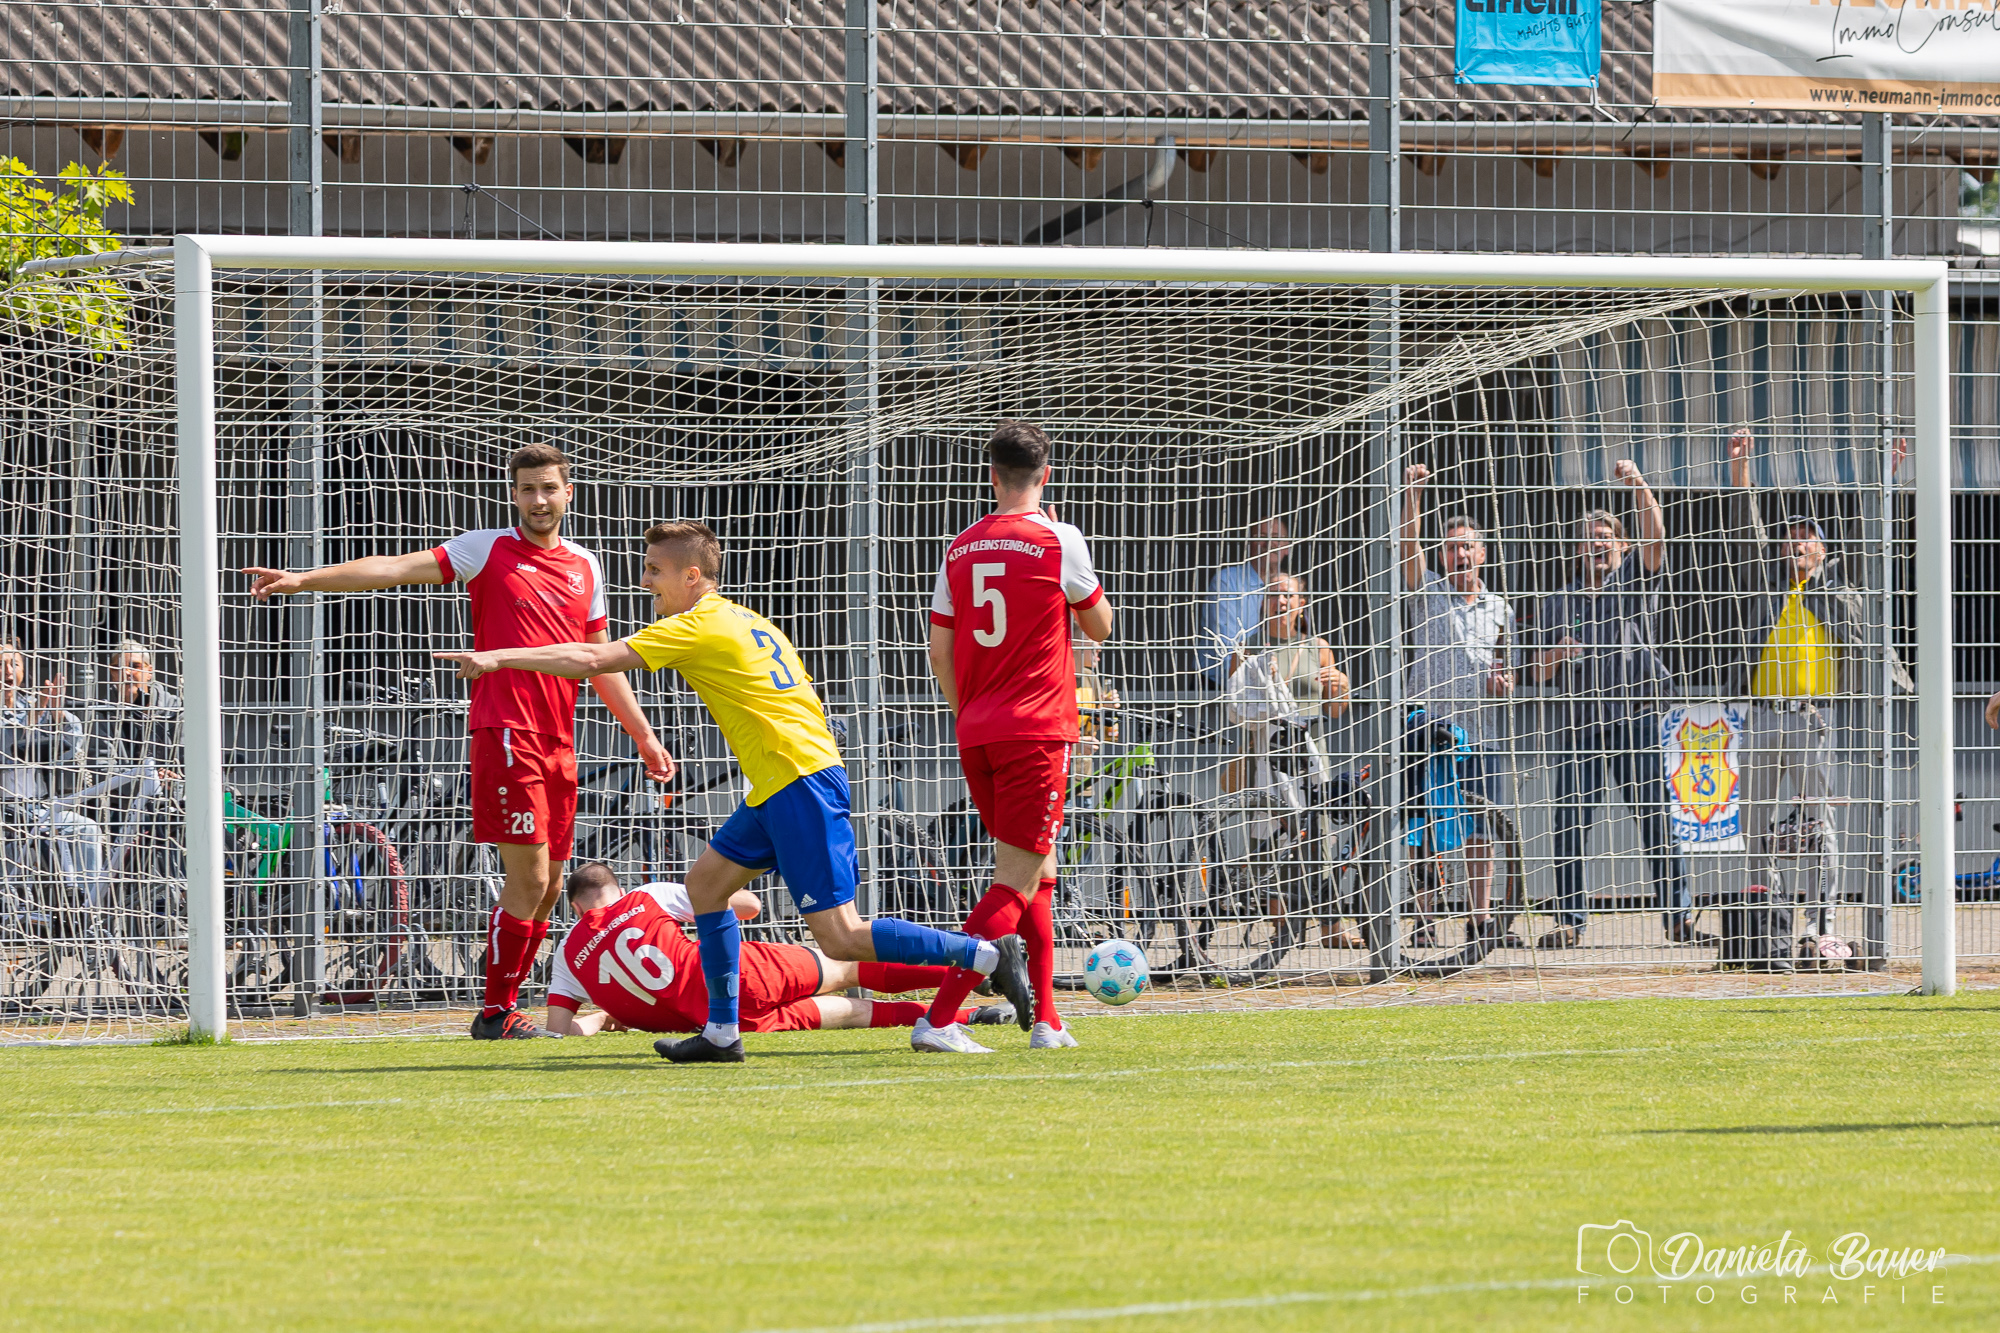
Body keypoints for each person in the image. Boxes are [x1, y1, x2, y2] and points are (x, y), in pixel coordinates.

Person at [438, 519, 1034, 1064]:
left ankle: (984, 955)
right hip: (780, 783)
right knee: (705, 886)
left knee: (840, 936)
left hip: (799, 782)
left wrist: (497, 657)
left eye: (654, 570)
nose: (645, 582)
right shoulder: (747, 618)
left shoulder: (697, 624)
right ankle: (722, 1032)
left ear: (691, 576)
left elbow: (593, 658)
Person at [245, 443, 675, 1041]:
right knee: (529, 880)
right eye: (528, 489)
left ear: (568, 493)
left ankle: (505, 1006)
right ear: (514, 495)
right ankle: (496, 1011)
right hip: (506, 732)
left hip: (559, 741)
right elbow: (395, 568)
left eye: (549, 488)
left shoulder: (586, 565)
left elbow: (600, 662)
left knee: (551, 886)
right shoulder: (486, 548)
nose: (539, 500)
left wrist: (645, 737)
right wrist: (304, 580)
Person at [923, 421, 1113, 1053]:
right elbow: (1101, 626)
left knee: (1037, 872)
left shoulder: (960, 547)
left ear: (993, 476)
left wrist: (969, 713)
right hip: (1035, 731)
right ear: (1046, 475)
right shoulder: (1060, 539)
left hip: (978, 730)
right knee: (1013, 882)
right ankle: (939, 1017)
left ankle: (1048, 1020)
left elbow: (939, 650)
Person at [1725, 427, 1911, 937]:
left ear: (1825, 549)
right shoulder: (1766, 582)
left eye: (1807, 536)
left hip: (1813, 720)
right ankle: (1767, 923)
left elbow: (1872, 531)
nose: (1796, 541)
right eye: (1790, 535)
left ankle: (1820, 926)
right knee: (1756, 825)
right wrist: (1742, 468)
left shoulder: (1839, 587)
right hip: (1762, 717)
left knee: (1817, 825)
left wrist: (1886, 476)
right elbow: (1746, 528)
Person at [1532, 462, 1706, 951]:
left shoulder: (1635, 579)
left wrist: (1638, 486)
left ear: (1622, 546)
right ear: (1577, 549)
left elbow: (1657, 536)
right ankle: (1570, 922)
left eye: (1606, 537)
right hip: (1580, 724)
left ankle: (1678, 918)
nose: (1597, 544)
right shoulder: (1558, 601)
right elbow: (1537, 672)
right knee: (1570, 826)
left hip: (1637, 719)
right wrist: (1554, 656)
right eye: (1589, 538)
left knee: (1657, 821)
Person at [543, 863, 1012, 1039]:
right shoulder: (646, 896)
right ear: (617, 888)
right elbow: (749, 905)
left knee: (854, 1013)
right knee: (847, 967)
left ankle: (971, 1016)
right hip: (739, 976)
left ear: (576, 908)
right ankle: (982, 973)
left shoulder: (567, 955)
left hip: (716, 1024)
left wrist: (602, 1018)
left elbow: (558, 1032)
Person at [1398, 465, 1514, 948]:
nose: (1460, 554)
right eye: (1450, 547)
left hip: (1479, 733)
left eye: (1467, 546)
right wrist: (1413, 494)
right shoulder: (1426, 591)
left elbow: (1507, 670)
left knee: (1479, 828)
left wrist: (1502, 683)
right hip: (1427, 727)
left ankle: (1479, 918)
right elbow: (1407, 547)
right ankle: (1424, 920)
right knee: (1423, 827)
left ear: (1482, 553)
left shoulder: (1502, 608)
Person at [1224, 573, 1358, 956]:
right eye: (1273, 595)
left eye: (1288, 596)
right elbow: (1236, 708)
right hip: (1265, 755)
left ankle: (1330, 925)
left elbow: (1336, 710)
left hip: (1310, 754)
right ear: (1263, 602)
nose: (1280, 601)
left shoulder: (1318, 648)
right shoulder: (1247, 648)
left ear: (1302, 604)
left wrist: (1341, 686)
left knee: (1318, 838)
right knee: (1269, 837)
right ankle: (1281, 924)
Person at [0, 641, 108, 908]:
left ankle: (87, 909)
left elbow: (74, 743)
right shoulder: (34, 709)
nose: (8, 671)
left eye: (14, 664)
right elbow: (9, 750)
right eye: (1, 665)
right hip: (4, 811)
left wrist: (58, 714)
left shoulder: (32, 704)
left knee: (87, 828)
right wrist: (34, 719)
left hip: (37, 808)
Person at [1199, 515, 1291, 685]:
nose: (1269, 543)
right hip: (1222, 683)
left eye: (1277, 537)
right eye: (1261, 537)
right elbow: (1226, 646)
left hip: (1275, 681)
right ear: (1249, 544)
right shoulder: (1228, 580)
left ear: (1287, 547)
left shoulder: (1290, 587)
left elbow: (1298, 635)